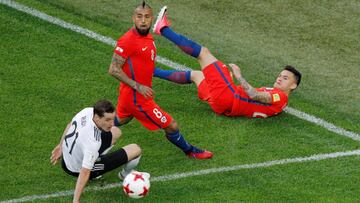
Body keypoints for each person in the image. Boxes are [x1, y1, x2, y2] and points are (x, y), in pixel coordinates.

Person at [152, 6, 302, 118]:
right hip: (223, 107)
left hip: (228, 97)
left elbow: (254, 95)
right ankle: (150, 71)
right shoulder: (279, 100)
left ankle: (162, 29)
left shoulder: (280, 96)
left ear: (293, 85)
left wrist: (238, 76)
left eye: (285, 78)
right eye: (281, 75)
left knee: (203, 54)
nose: (280, 78)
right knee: (197, 75)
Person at [108, 2, 212, 159]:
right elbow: (113, 69)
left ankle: (92, 128)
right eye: (139, 17)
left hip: (128, 95)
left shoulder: (148, 38)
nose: (143, 21)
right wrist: (138, 86)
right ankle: (190, 151)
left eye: (147, 17)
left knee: (121, 119)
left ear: (151, 19)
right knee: (171, 125)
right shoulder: (127, 40)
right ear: (133, 18)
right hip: (138, 98)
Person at [50, 100, 146, 203]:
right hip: (77, 169)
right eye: (107, 120)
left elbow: (70, 125)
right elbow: (84, 171)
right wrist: (76, 200)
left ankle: (94, 157)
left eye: (113, 119)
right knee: (136, 149)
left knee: (116, 131)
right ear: (97, 117)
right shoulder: (93, 142)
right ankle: (124, 174)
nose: (111, 123)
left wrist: (61, 146)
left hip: (67, 158)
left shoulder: (87, 111)